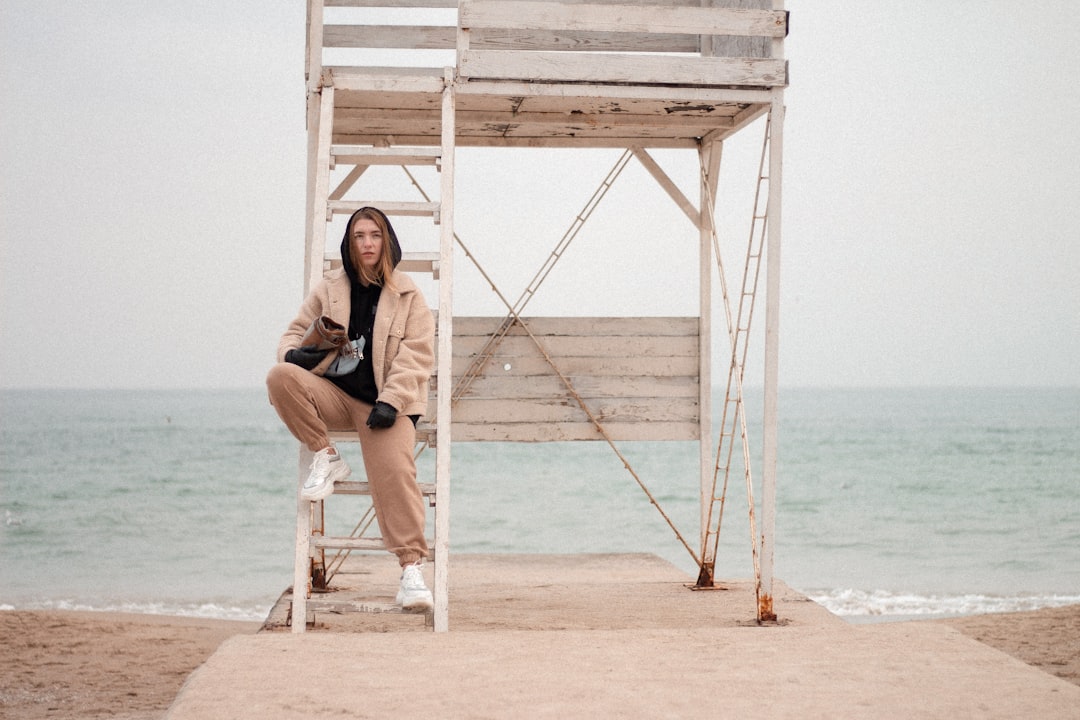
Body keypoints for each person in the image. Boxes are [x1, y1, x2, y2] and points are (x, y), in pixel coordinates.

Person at [266, 206, 436, 612]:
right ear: (349, 243)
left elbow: (416, 356)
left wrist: (391, 400)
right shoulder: (330, 289)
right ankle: (327, 455)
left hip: (386, 407)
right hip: (337, 396)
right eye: (359, 236)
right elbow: (293, 331)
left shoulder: (409, 294)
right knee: (279, 377)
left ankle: (411, 570)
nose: (367, 243)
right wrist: (295, 354)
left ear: (387, 242)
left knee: (396, 474)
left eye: (374, 235)